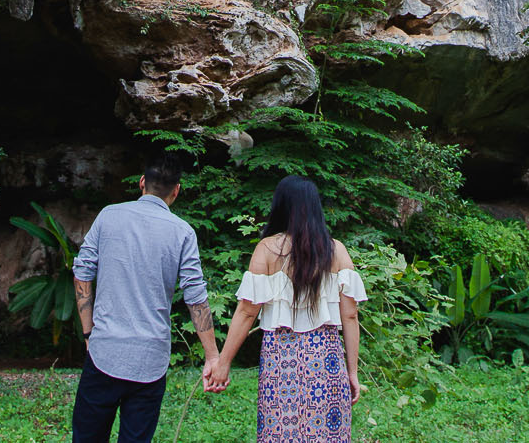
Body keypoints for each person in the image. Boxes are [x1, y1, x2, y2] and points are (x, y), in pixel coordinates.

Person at [70, 153, 220, 443]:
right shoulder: (182, 232)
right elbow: (196, 296)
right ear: (176, 191)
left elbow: (82, 273)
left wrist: (89, 333)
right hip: (150, 361)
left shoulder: (109, 215)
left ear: (142, 183)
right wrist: (212, 356)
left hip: (104, 352)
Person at [203, 176, 366, 442]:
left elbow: (246, 312)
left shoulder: (267, 250)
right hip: (327, 363)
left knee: (279, 432)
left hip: (280, 363)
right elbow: (350, 315)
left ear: (281, 206)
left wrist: (223, 364)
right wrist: (352, 372)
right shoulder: (336, 251)